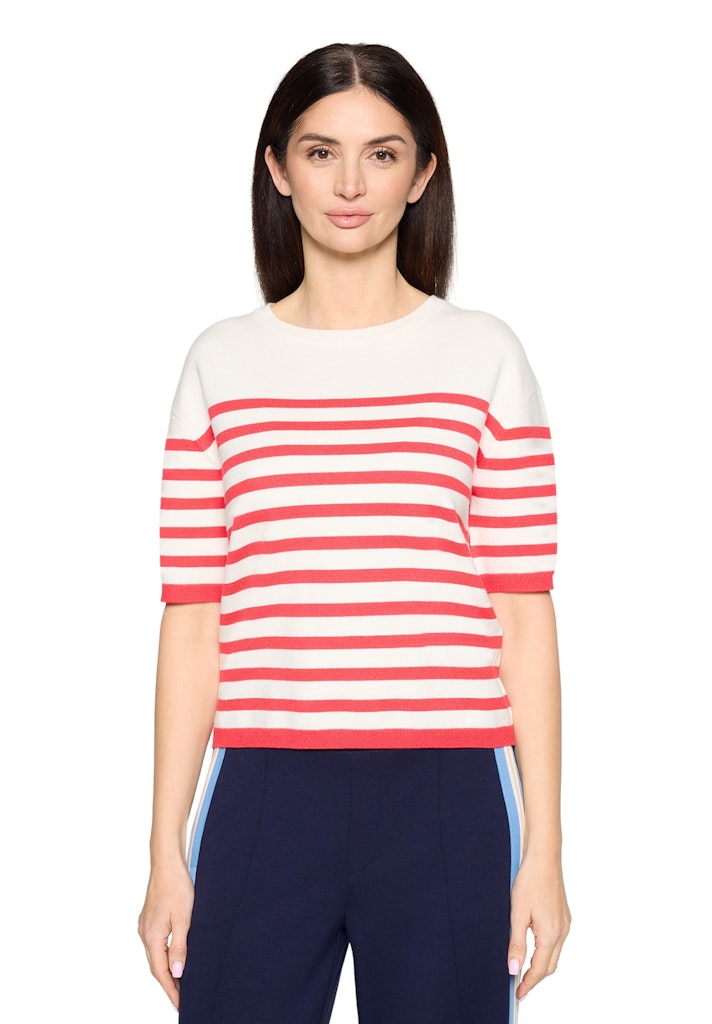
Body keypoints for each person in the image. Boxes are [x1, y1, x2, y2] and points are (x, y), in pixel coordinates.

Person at [138, 41, 571, 1024]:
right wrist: (165, 851)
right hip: (263, 787)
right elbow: (194, 619)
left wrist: (544, 851)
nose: (348, 184)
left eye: (381, 154)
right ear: (277, 168)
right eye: (320, 151)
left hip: (445, 790)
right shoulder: (219, 364)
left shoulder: (485, 356)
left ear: (421, 175)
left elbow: (521, 613)